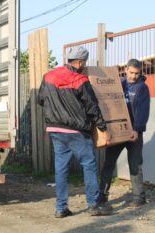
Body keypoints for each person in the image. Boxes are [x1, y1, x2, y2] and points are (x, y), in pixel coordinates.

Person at [37, 46, 112, 218]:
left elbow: (40, 99)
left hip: (55, 129)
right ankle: (93, 205)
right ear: (79, 62)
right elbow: (92, 107)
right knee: (89, 165)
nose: (84, 66)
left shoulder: (49, 76)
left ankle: (61, 208)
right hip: (77, 131)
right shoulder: (81, 80)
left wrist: (57, 110)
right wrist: (103, 128)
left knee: (61, 168)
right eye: (84, 63)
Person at [99, 59, 150, 207]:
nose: (134, 76)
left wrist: (137, 129)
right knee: (108, 163)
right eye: (131, 72)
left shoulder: (142, 88)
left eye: (137, 73)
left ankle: (138, 198)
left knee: (135, 165)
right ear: (126, 69)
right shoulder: (118, 84)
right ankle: (102, 196)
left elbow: (143, 111)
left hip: (134, 133)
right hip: (117, 131)